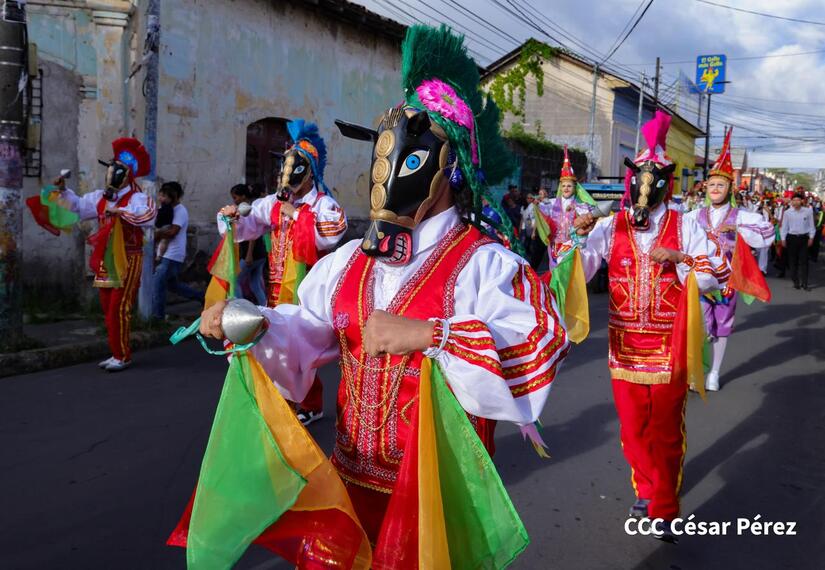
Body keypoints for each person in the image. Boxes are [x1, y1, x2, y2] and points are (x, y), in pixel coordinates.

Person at [198, 25, 568, 565]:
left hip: (434, 501)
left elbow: (540, 344)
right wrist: (254, 320)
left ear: (451, 167)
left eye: (413, 154)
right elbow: (308, 328)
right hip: (348, 487)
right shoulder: (351, 261)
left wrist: (433, 335)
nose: (390, 169)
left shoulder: (484, 264)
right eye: (384, 153)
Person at [573, 111, 723, 542]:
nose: (644, 189)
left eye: (652, 180)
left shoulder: (685, 224)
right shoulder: (612, 225)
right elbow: (579, 272)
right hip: (624, 347)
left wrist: (680, 259)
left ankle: (665, 507)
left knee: (666, 428)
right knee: (633, 426)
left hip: (669, 345)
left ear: (664, 184)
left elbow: (716, 273)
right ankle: (646, 488)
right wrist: (577, 236)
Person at [218, 119, 347, 425]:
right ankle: (283, 401)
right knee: (278, 345)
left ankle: (311, 403)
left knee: (304, 350)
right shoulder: (274, 204)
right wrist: (232, 218)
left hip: (308, 289)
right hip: (276, 286)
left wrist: (298, 214)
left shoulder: (323, 204)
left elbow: (332, 232)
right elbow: (249, 225)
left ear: (309, 172)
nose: (287, 179)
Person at [56, 138, 157, 371]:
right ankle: (116, 352)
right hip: (106, 257)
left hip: (128, 257)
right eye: (111, 169)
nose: (112, 174)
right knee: (107, 307)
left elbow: (148, 216)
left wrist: (119, 211)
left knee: (119, 307)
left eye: (117, 171)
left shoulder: (137, 198)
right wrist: (63, 190)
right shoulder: (101, 197)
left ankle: (122, 355)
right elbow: (79, 207)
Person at [685, 129, 774, 391]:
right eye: (712, 185)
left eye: (721, 185)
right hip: (700, 277)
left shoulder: (741, 215)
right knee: (699, 323)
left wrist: (737, 230)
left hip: (726, 280)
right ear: (706, 188)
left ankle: (714, 372)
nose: (715, 189)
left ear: (729, 189)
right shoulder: (694, 215)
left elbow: (767, 232)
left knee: (723, 324)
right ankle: (696, 370)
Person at [151, 181, 204, 320]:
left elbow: (173, 232)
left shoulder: (180, 211)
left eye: (166, 195)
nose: (163, 198)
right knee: (173, 285)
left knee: (158, 283)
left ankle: (157, 316)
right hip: (166, 252)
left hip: (172, 254)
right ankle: (202, 297)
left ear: (174, 196)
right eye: (162, 195)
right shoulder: (166, 208)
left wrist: (156, 234)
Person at [535, 146, 594, 264]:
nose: (566, 188)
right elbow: (544, 209)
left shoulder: (581, 204)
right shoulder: (552, 203)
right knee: (555, 270)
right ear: (560, 188)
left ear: (575, 188)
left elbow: (589, 214)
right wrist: (537, 205)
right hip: (555, 246)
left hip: (573, 245)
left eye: (569, 186)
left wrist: (575, 208)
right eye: (564, 186)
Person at [229, 183, 268, 305]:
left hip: (252, 254)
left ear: (243, 196)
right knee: (255, 283)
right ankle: (265, 306)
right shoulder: (250, 209)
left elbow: (252, 235)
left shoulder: (246, 211)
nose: (234, 200)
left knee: (234, 281)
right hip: (260, 254)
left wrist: (249, 255)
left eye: (235, 197)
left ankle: (241, 308)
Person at [780, 191, 816, 290]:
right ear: (791, 202)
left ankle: (805, 283)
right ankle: (796, 281)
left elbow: (811, 226)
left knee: (804, 261)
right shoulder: (787, 213)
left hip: (804, 239)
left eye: (798, 200)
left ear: (802, 201)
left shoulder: (808, 211)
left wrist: (811, 237)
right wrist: (783, 239)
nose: (796, 202)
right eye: (794, 200)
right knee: (792, 261)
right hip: (791, 238)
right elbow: (784, 227)